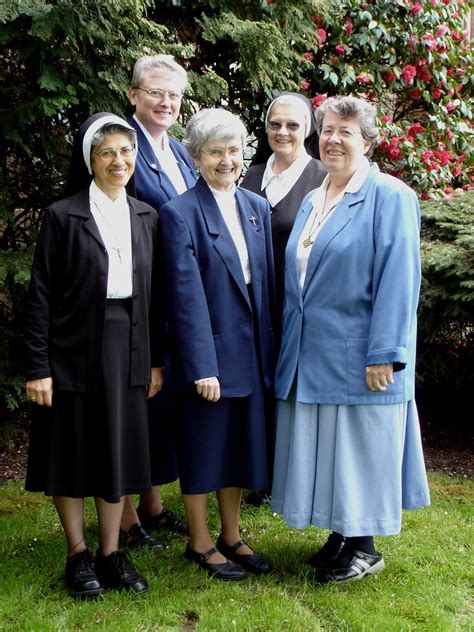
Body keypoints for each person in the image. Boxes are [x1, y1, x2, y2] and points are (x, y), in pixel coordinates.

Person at [271, 96, 430, 583]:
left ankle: (365, 546)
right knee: (330, 447)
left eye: (346, 131)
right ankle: (341, 535)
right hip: (313, 351)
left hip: (361, 351)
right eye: (328, 130)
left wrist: (386, 353)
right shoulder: (316, 197)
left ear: (367, 140)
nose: (334, 139)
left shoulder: (390, 195)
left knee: (359, 450)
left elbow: (399, 279)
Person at [24, 112, 163, 597]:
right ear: (90, 160)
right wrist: (38, 366)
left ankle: (111, 554)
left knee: (117, 450)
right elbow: (40, 293)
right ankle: (77, 554)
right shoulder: (63, 216)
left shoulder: (147, 215)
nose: (118, 161)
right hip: (71, 347)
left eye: (126, 152)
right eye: (107, 152)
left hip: (128, 345)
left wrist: (153, 360)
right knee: (72, 449)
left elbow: (155, 296)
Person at [159, 108, 275, 581]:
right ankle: (200, 541)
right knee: (205, 450)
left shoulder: (256, 206)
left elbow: (267, 287)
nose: (226, 160)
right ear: (195, 156)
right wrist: (201, 365)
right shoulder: (179, 213)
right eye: (214, 152)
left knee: (239, 450)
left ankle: (232, 535)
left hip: (252, 355)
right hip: (209, 358)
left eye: (233, 150)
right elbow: (184, 297)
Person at [120, 54, 196, 546]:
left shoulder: (180, 151)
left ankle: (150, 504)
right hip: (135, 294)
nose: (166, 102)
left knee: (157, 404)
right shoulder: (121, 145)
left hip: (171, 295)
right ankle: (124, 520)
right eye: (155, 92)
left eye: (173, 94)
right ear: (133, 95)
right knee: (132, 402)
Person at [241, 94, 326, 505]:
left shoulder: (324, 178)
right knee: (257, 385)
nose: (283, 132)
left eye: (292, 125)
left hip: (297, 305)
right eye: (275, 124)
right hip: (251, 303)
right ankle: (256, 473)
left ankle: (284, 476)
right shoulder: (250, 175)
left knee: (288, 390)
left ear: (307, 128)